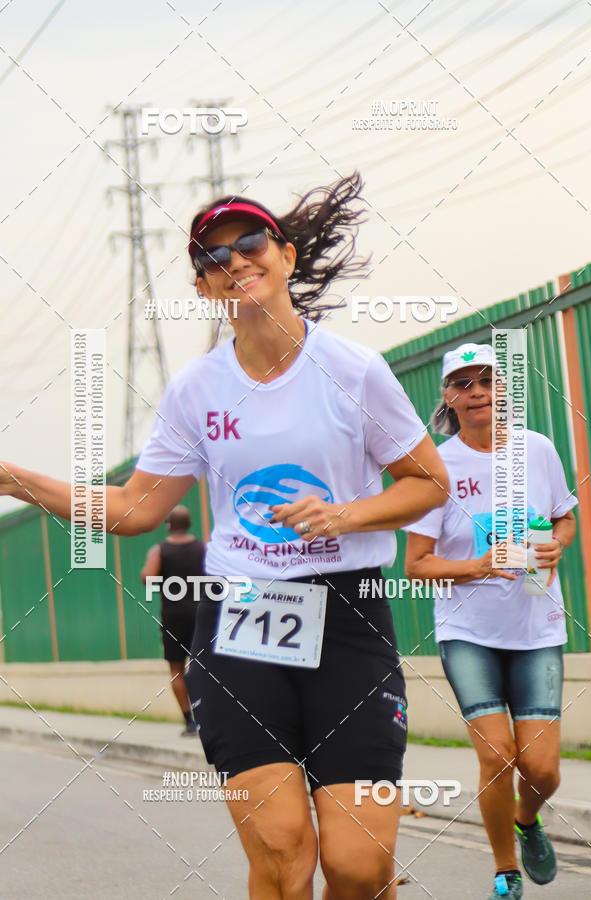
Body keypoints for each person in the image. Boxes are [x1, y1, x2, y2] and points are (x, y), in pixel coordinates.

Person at [0, 172, 449, 899]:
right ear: (204, 287)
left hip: (348, 617)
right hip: (242, 621)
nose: (234, 261)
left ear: (286, 256)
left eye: (250, 244)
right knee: (282, 853)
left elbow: (427, 483)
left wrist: (344, 515)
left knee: (359, 865)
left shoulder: (355, 371)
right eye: (213, 258)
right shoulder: (196, 390)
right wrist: (14, 479)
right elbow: (135, 508)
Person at [404, 342, 577, 900]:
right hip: (468, 633)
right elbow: (416, 565)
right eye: (464, 383)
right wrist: (477, 566)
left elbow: (564, 519)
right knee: (498, 755)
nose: (477, 392)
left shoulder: (537, 449)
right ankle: (505, 870)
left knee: (543, 770)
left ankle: (527, 820)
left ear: (503, 391)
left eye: (488, 380)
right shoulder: (436, 467)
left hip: (537, 628)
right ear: (448, 396)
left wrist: (557, 546)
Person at [140, 505, 206, 736]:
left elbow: (148, 578)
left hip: (174, 616)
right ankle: (208, 718)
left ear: (169, 525)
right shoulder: (204, 548)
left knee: (177, 669)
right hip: (202, 613)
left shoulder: (159, 551)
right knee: (204, 667)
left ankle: (190, 722)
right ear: (189, 524)